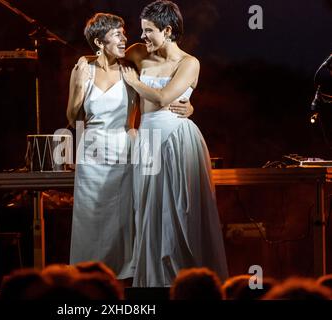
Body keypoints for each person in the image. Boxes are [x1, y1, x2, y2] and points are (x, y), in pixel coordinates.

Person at [68, 12, 194, 282]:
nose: (126, 38)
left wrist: (189, 105)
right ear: (100, 42)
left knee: (126, 221)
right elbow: (72, 117)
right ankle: (86, 279)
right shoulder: (83, 69)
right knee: (91, 219)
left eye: (124, 32)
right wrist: (79, 88)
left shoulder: (131, 67)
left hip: (127, 150)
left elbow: (159, 92)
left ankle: (126, 280)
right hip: (92, 154)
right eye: (117, 34)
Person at [120, 0, 229, 287]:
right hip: (148, 140)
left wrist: (135, 83)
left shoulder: (189, 62)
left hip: (178, 140)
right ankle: (156, 283)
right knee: (149, 212)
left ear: (167, 30)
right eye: (142, 30)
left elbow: (164, 98)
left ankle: (189, 284)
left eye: (149, 31)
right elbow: (111, 64)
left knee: (182, 212)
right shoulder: (139, 53)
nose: (142, 36)